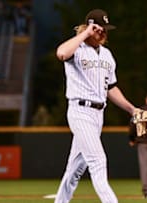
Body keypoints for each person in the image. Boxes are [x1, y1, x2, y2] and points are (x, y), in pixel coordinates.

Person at [54, 8, 139, 203]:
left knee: (74, 170)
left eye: (105, 29)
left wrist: (131, 109)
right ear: (90, 27)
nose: (103, 32)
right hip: (80, 111)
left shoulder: (107, 55)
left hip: (98, 115)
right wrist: (85, 33)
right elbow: (61, 53)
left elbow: (111, 87)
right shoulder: (77, 49)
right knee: (98, 161)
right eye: (100, 28)